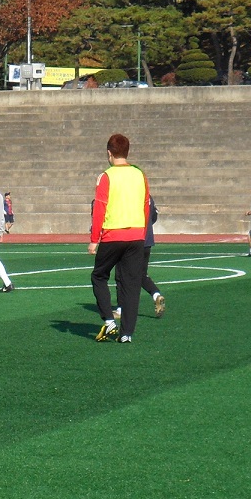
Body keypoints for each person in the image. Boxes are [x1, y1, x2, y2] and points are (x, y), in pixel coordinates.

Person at [90, 133, 150, 343]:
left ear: (109, 153)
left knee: (99, 276)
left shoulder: (107, 176)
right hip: (136, 234)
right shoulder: (139, 174)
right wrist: (141, 233)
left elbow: (100, 208)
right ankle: (127, 334)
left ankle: (109, 321)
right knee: (132, 284)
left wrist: (94, 239)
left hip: (112, 234)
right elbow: (145, 205)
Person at [115, 196, 166, 320]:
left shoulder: (128, 194)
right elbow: (153, 217)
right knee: (141, 274)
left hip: (131, 241)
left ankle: (121, 309)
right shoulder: (148, 197)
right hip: (147, 241)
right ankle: (156, 295)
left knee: (121, 275)